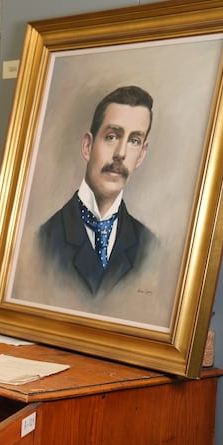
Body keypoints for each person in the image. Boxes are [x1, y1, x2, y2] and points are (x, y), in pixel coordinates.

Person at [38, 85, 158, 294]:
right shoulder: (41, 242)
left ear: (141, 155)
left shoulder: (151, 248)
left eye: (134, 141)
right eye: (112, 136)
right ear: (87, 146)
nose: (120, 153)